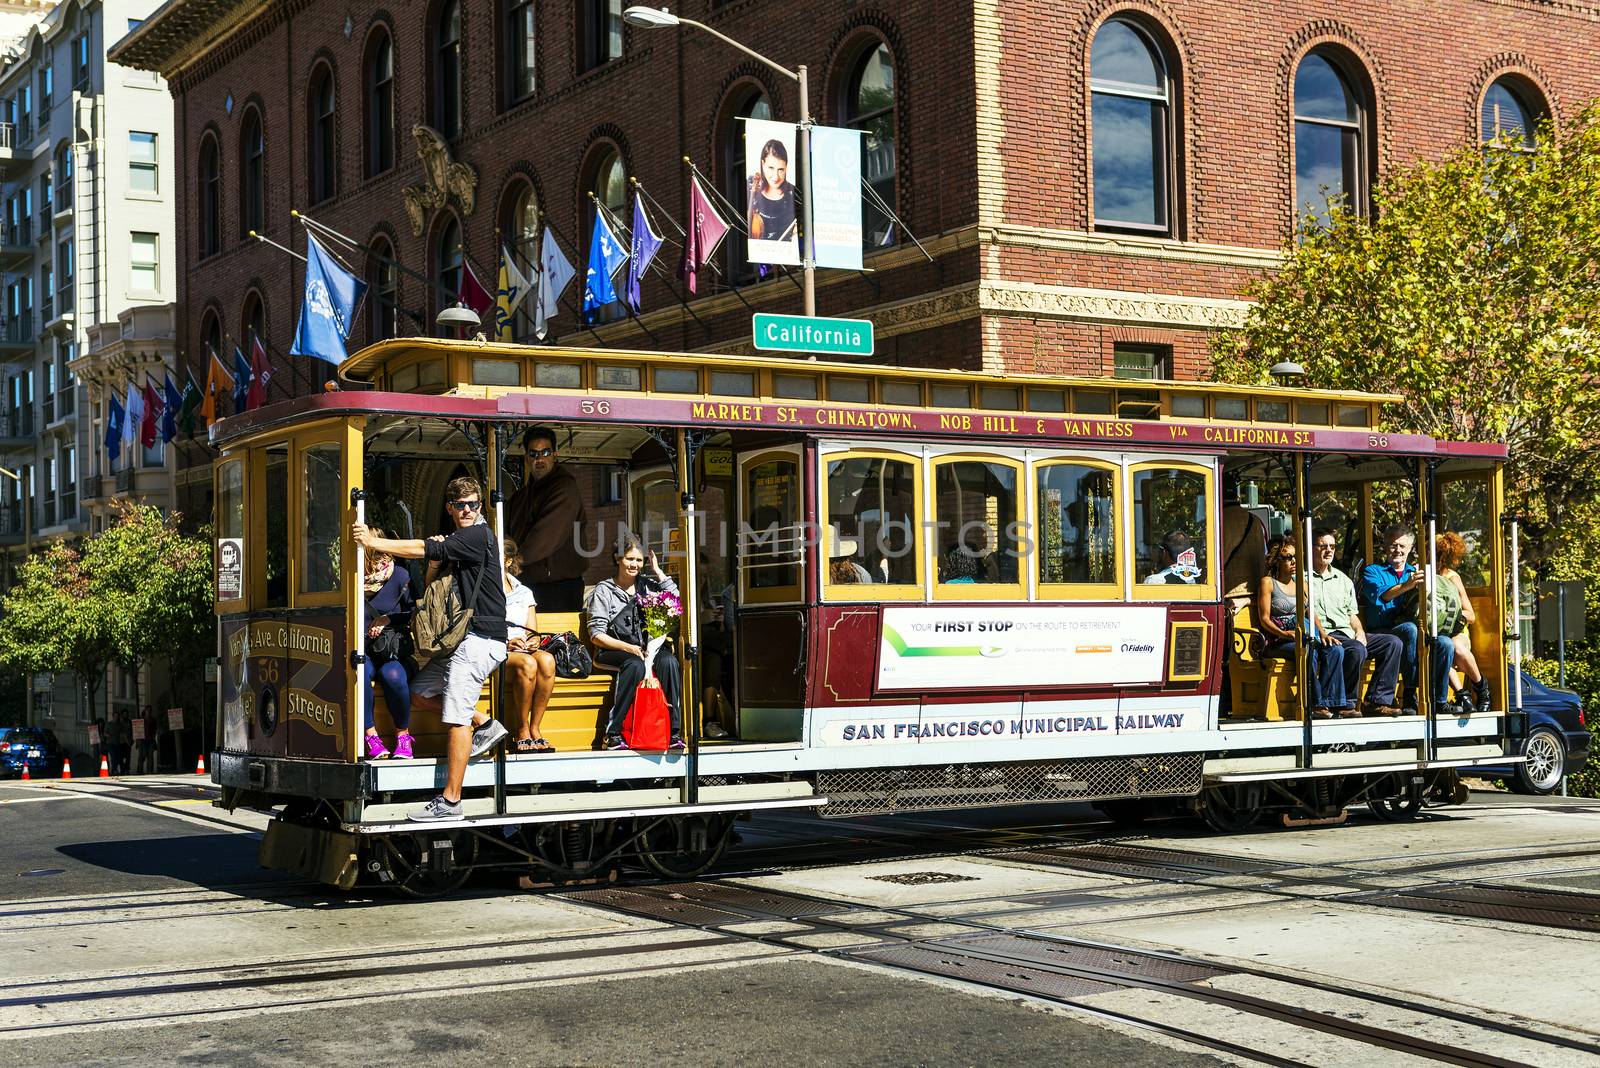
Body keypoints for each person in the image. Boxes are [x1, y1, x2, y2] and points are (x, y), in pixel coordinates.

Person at [354, 476, 509, 822]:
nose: (468, 510)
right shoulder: (460, 540)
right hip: (461, 641)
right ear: (450, 508)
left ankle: (451, 801)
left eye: (473, 504)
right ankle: (485, 724)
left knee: (455, 719)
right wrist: (438, 561)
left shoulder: (478, 535)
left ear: (480, 506)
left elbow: (423, 549)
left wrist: (373, 540)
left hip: (479, 640)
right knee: (417, 691)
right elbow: (429, 588)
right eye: (461, 505)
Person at [586, 531, 685, 752]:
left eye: (639, 560)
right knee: (634, 665)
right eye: (630, 559)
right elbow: (596, 634)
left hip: (647, 649)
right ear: (617, 559)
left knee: (669, 662)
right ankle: (613, 734)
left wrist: (658, 572)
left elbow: (675, 600)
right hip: (614, 648)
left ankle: (674, 732)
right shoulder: (604, 590)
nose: (635, 564)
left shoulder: (647, 585)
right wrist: (628, 647)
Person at [1310, 527, 1404, 717]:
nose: (1329, 550)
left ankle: (1376, 701)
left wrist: (1360, 632)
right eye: (1323, 546)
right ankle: (1346, 705)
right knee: (1355, 648)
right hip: (1323, 635)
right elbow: (1306, 612)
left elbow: (1352, 615)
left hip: (1347, 633)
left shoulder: (1342, 580)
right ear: (1311, 549)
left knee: (1393, 643)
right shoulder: (1302, 579)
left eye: (1332, 546)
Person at [1360, 525, 1455, 713]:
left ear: (1410, 548)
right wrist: (1407, 585)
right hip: (1385, 631)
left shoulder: (1417, 572)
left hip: (1419, 629)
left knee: (1445, 643)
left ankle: (1439, 699)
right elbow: (1383, 596)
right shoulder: (1373, 571)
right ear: (1386, 546)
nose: (1398, 550)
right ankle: (1410, 693)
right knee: (1409, 629)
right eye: (1394, 545)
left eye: (1403, 546)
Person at [1257, 535, 1343, 719]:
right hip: (1278, 641)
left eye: (1295, 557)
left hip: (1302, 636)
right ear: (1276, 561)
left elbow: (1310, 613)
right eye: (1287, 557)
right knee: (1307, 649)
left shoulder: (1301, 584)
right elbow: (1264, 619)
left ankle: (1331, 703)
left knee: (1334, 649)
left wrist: (1322, 633)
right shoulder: (1268, 583)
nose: (1293, 561)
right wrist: (1284, 634)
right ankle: (1313, 703)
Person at [505, 427, 588, 612]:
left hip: (559, 589)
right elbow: (504, 534)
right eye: (534, 454)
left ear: (555, 455)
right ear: (526, 458)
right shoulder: (520, 497)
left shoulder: (565, 487)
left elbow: (546, 536)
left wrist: (512, 563)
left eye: (545, 452)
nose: (539, 459)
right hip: (525, 585)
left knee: (557, 641)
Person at [360, 530, 417, 760]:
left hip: (394, 651)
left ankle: (403, 735)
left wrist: (388, 619)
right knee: (360, 669)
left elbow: (415, 612)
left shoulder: (400, 575)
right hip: (365, 650)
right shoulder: (353, 578)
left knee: (393, 674)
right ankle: (371, 736)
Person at [502, 537, 558, 753]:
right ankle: (521, 729)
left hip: (522, 649)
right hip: (498, 649)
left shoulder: (523, 592)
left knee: (546, 659)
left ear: (508, 561)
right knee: (528, 664)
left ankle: (535, 728)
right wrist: (507, 642)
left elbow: (532, 630)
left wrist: (532, 641)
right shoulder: (486, 589)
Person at [1437, 531, 1490, 713]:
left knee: (1455, 647)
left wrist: (1448, 616)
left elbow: (1471, 615)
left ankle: (1481, 688)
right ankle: (1462, 695)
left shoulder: (1452, 578)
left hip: (1456, 631)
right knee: (1442, 649)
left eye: (1437, 556)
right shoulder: (1422, 574)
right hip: (1435, 633)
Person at [747, 139, 797, 245]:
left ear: (786, 167)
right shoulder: (751, 184)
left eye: (781, 169)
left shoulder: (793, 193)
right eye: (771, 168)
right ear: (763, 164)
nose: (776, 176)